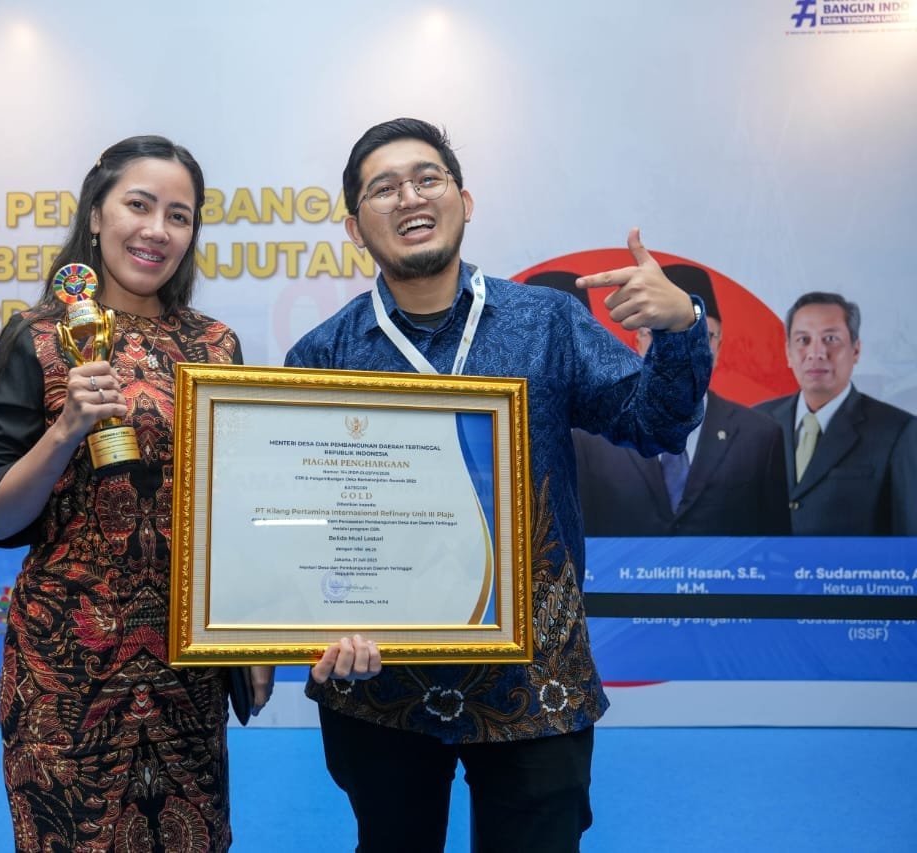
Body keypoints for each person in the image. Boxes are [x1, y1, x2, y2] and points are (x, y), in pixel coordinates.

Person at [284, 118, 712, 852]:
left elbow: (655, 425)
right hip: (380, 678)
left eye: (428, 178)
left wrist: (681, 328)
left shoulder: (547, 322)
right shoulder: (323, 355)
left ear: (465, 200)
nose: (409, 197)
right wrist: (317, 622)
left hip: (535, 677)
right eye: (383, 189)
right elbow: (302, 526)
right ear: (355, 227)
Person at [0, 135, 272, 852]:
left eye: (179, 215)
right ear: (97, 214)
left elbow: (233, 509)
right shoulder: (37, 337)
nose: (156, 229)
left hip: (185, 665)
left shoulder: (216, 345)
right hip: (67, 661)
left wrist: (254, 635)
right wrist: (65, 429)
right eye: (139, 205)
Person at [571, 264, 791, 536]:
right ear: (638, 343)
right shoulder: (594, 437)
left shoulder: (760, 436)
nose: (681, 348)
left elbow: (776, 548)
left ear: (718, 346)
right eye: (659, 334)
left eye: (699, 335)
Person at [756, 291, 917, 535]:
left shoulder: (898, 431)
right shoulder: (757, 422)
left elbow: (908, 538)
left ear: (856, 350)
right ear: (788, 352)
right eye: (803, 340)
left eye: (830, 338)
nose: (816, 353)